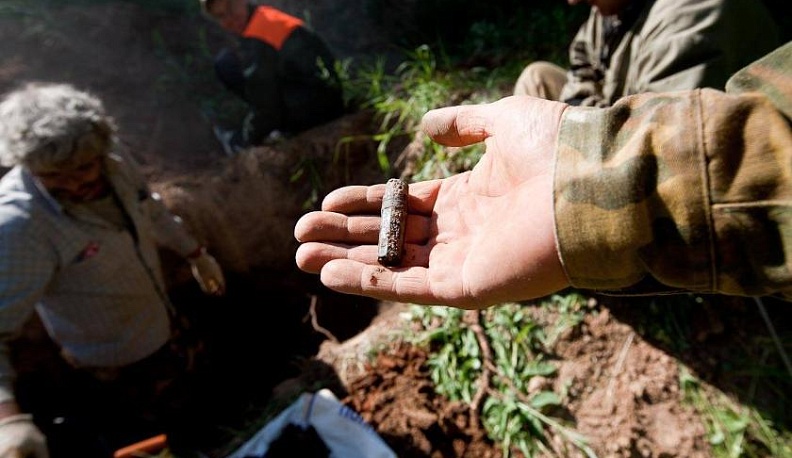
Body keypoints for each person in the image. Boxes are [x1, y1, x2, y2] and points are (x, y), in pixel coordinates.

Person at [294, 41, 792, 309]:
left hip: (678, 136)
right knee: (539, 74)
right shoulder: (601, 25)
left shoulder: (689, 18)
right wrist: (583, 152)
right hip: (648, 148)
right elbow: (581, 76)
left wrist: (586, 169)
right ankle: (595, 245)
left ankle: (610, 255)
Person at [0, 82, 226, 457]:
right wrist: (8, 420)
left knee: (199, 403)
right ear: (27, 165)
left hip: (162, 323)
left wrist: (194, 252)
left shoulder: (112, 157)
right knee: (160, 438)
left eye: (85, 167)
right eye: (56, 175)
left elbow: (148, 206)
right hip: (114, 368)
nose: (77, 182)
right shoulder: (20, 226)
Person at [514, 0, 780, 107]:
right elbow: (581, 68)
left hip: (685, 152)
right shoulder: (608, 9)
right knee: (537, 77)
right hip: (628, 114)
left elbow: (662, 142)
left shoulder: (691, 12)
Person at [201, 0, 346, 155]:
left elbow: (267, 103)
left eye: (231, 8)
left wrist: (249, 138)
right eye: (221, 16)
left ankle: (248, 139)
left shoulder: (260, 34)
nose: (229, 19)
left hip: (314, 111)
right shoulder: (264, 17)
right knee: (227, 62)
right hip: (323, 99)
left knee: (226, 65)